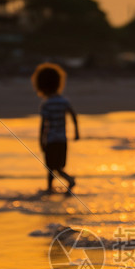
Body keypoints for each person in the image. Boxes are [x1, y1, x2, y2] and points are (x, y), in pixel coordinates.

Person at [31, 62, 79, 195]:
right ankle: (53, 187)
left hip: (51, 140)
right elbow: (73, 115)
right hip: (62, 140)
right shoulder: (64, 101)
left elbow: (43, 126)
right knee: (58, 166)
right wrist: (76, 132)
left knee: (51, 167)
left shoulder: (46, 104)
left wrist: (41, 141)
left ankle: (58, 184)